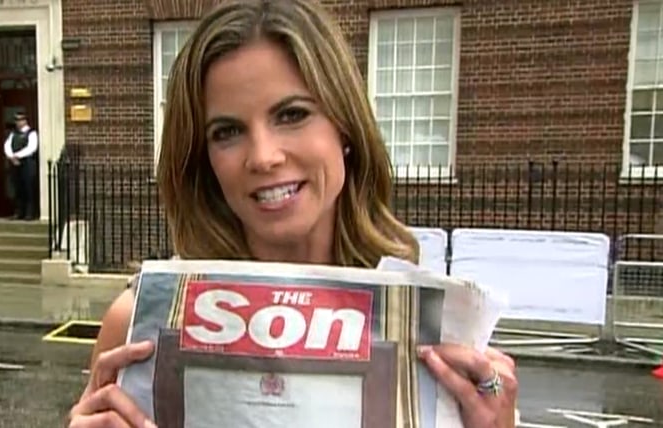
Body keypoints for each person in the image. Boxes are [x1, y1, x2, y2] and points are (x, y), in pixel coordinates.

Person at [68, 1, 518, 427]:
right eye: (227, 132)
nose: (263, 157)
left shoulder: (432, 332)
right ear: (205, 159)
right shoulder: (137, 323)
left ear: (345, 127)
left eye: (292, 114)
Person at [4, 111, 39, 220]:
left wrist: (17, 156)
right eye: (17, 120)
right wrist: (11, 157)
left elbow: (31, 148)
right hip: (15, 164)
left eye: (20, 120)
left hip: (27, 164)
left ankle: (30, 213)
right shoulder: (13, 133)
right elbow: (7, 146)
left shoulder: (32, 133)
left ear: (25, 120)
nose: (18, 123)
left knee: (28, 188)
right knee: (17, 189)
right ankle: (19, 212)